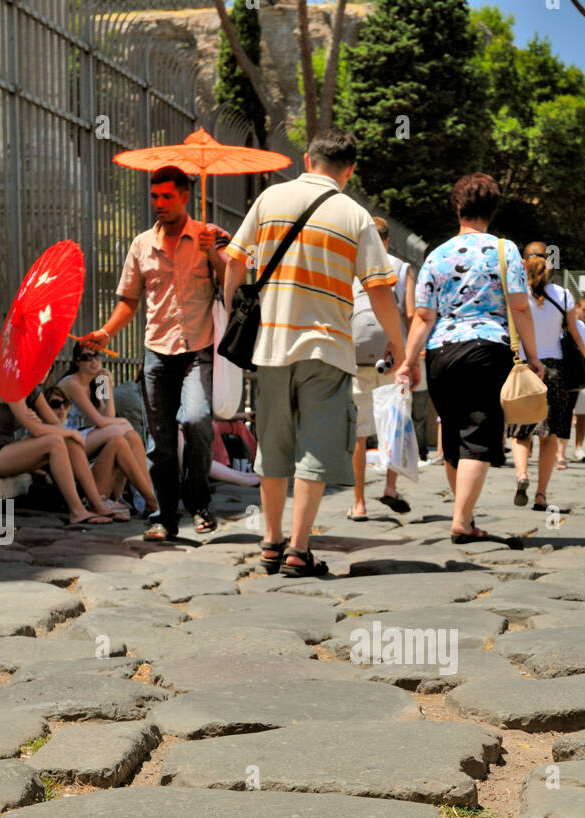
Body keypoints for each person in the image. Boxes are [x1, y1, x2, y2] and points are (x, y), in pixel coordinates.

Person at [224, 129, 406, 577]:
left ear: (307, 159)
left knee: (273, 444)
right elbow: (380, 290)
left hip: (270, 346)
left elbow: (233, 260)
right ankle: (297, 550)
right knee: (315, 450)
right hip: (327, 348)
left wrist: (234, 313)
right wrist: (400, 346)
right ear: (351, 169)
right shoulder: (356, 216)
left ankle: (270, 542)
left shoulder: (270, 199)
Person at [82, 165, 230, 541]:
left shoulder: (210, 237)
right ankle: (164, 516)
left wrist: (213, 255)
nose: (159, 203)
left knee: (196, 421)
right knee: (159, 441)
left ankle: (198, 502)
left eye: (167, 196)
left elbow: (232, 286)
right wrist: (104, 331)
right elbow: (128, 300)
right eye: (154, 196)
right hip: (157, 351)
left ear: (184, 196)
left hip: (198, 348)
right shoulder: (141, 244)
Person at [401, 175, 543, 542]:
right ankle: (462, 522)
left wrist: (407, 361)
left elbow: (422, 317)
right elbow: (520, 307)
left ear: (458, 207)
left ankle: (463, 514)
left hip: (440, 352)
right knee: (479, 435)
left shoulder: (436, 254)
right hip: (487, 350)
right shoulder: (504, 250)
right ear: (492, 211)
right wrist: (533, 356)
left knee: (453, 434)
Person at [506, 245, 585, 506]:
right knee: (549, 435)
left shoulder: (517, 295)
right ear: (548, 262)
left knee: (520, 431)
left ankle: (521, 474)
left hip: (524, 367)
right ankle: (541, 495)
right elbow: (576, 335)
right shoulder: (563, 295)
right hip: (555, 370)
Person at [0, 381, 115, 526]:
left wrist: (48, 426)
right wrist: (63, 430)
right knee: (55, 442)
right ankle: (77, 511)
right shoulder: (12, 385)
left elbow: (54, 423)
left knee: (70, 441)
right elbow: (36, 430)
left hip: (6, 449)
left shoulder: (33, 390)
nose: (45, 370)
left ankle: (97, 504)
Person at [348, 216, 412, 520]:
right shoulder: (400, 267)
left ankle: (358, 503)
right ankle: (389, 487)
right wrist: (412, 359)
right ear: (387, 240)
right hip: (393, 357)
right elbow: (411, 314)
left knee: (359, 434)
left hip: (355, 355)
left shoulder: (350, 264)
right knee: (394, 424)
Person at [52, 344, 157, 514]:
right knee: (123, 429)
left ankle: (146, 499)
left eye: (96, 356)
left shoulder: (93, 384)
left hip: (82, 441)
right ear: (77, 362)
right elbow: (100, 422)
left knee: (127, 436)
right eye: (86, 357)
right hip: (65, 442)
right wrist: (122, 421)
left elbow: (108, 417)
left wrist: (108, 388)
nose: (93, 361)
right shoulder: (72, 382)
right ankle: (148, 499)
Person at [571, 297, 585, 461]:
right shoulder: (562, 322)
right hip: (566, 368)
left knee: (582, 412)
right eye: (584, 310)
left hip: (582, 370)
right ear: (577, 307)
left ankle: (579, 447)